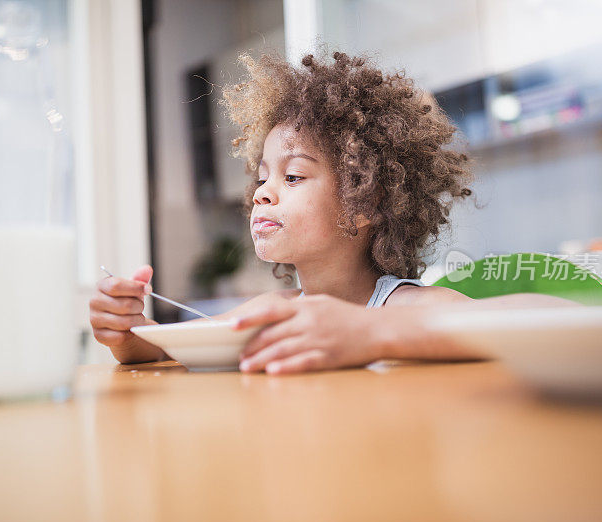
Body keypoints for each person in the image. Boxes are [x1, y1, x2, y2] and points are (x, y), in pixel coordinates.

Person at [89, 51, 576, 374]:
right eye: (262, 178)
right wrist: (128, 329)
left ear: (365, 201)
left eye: (293, 177)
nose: (261, 194)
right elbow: (159, 347)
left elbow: (561, 318)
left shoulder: (398, 308)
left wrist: (370, 331)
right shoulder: (273, 313)